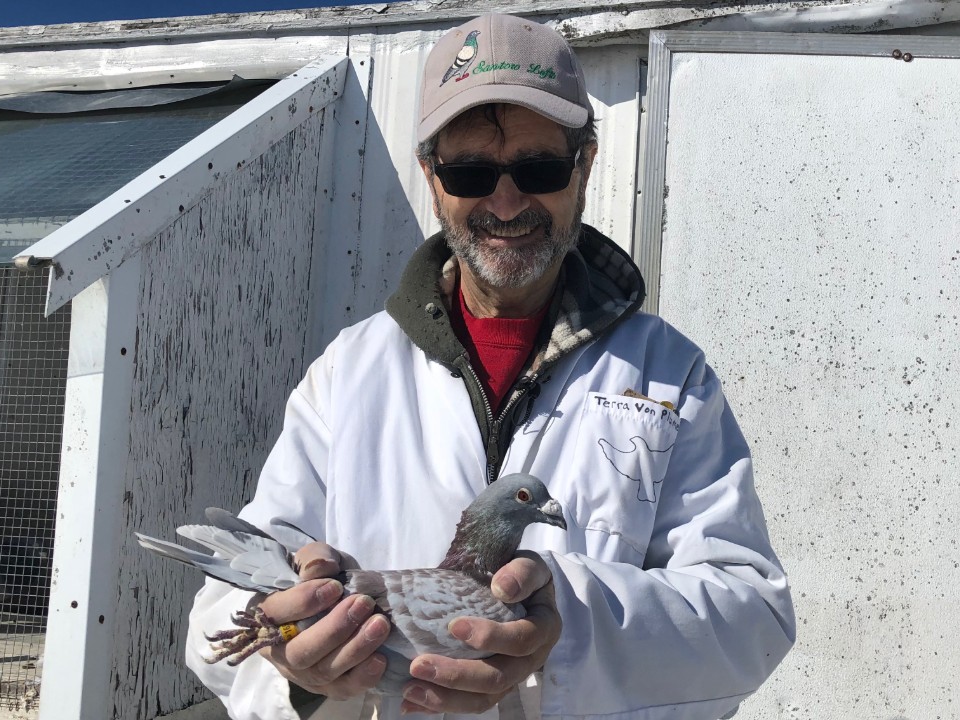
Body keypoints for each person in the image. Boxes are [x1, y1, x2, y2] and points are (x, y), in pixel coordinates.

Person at [186, 12, 795, 720]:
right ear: (431, 177)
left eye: (539, 168)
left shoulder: (668, 376)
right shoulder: (349, 372)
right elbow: (224, 606)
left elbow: (752, 619)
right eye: (470, 171)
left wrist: (566, 620)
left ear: (585, 165)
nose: (506, 203)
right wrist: (293, 659)